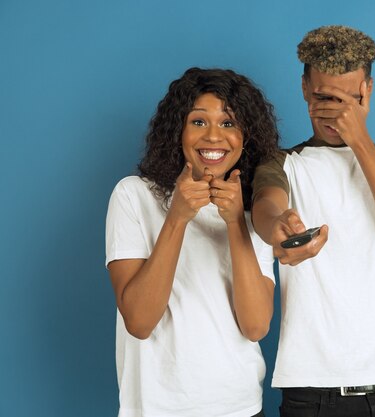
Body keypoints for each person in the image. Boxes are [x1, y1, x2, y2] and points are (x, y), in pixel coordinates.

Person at [251, 25, 375, 416]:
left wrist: (359, 141)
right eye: (322, 98)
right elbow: (267, 208)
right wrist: (279, 227)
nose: (334, 112)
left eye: (347, 100)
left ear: (367, 90)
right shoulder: (283, 164)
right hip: (312, 393)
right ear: (304, 88)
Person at [105, 67, 279, 417]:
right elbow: (139, 321)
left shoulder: (252, 212)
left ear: (246, 136)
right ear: (178, 132)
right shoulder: (133, 195)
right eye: (199, 122)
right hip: (158, 409)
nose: (214, 136)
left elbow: (256, 325)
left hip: (241, 407)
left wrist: (234, 223)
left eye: (229, 123)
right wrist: (178, 216)